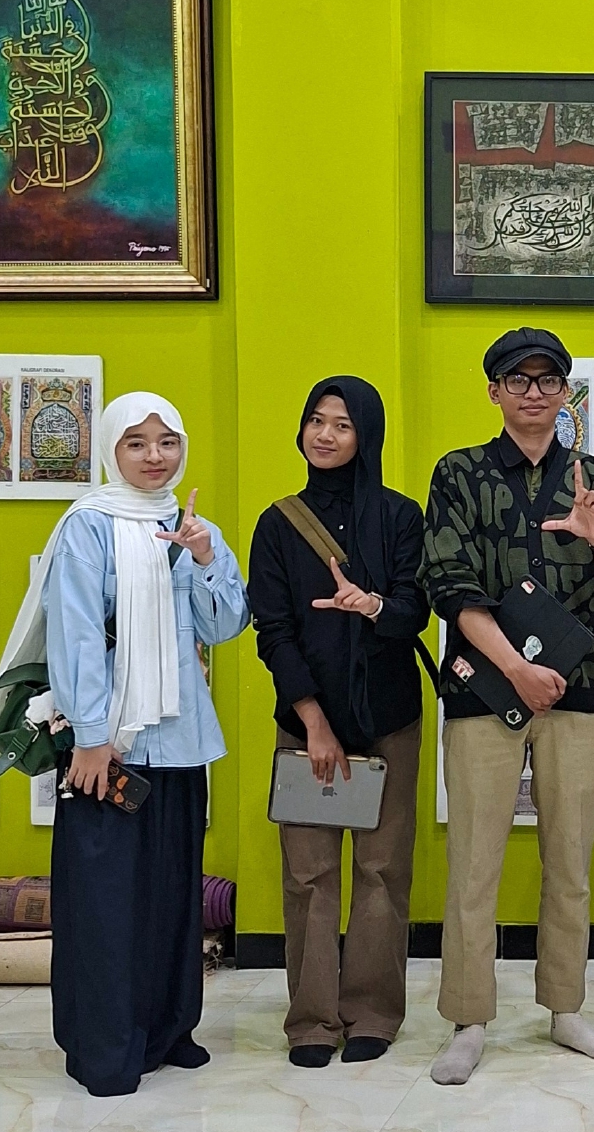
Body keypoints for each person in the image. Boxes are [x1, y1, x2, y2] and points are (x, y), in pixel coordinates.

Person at [420, 328, 594, 1085]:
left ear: (564, 392)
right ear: (492, 390)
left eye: (546, 379)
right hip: (485, 687)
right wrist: (516, 668)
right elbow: (449, 587)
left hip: (576, 691)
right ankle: (468, 1018)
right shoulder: (458, 472)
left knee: (570, 861)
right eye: (515, 379)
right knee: (473, 864)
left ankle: (565, 1008)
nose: (531, 391)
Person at [31, 393, 247, 1096]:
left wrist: (207, 556)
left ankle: (167, 1028)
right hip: (112, 747)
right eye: (137, 442)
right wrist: (91, 738)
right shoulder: (89, 525)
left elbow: (222, 627)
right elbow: (75, 637)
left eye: (168, 441)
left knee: (170, 895)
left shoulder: (186, 525)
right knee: (105, 903)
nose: (155, 455)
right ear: (110, 449)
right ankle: (104, 1047)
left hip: (180, 744)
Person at [250, 376, 430, 1068]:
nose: (325, 435)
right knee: (308, 875)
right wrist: (312, 720)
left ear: (367, 436)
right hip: (306, 726)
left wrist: (374, 606)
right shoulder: (278, 522)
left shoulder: (399, 515)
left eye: (342, 424)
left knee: (383, 872)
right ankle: (312, 1022)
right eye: (315, 420)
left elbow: (418, 610)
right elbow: (273, 630)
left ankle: (373, 1014)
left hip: (389, 718)